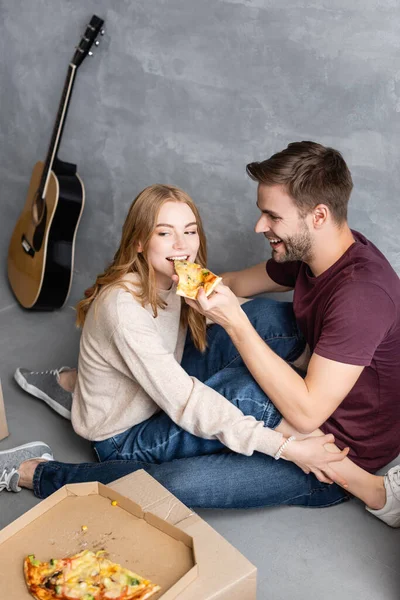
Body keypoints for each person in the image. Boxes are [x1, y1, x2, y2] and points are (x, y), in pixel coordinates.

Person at [5, 165, 400, 526]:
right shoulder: (126, 305)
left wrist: (232, 316)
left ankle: (84, 386)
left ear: (318, 217)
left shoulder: (358, 294)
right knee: (236, 402)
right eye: (165, 232)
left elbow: (241, 314)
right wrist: (291, 445)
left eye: (190, 231)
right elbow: (188, 400)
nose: (259, 225)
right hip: (128, 435)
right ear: (140, 241)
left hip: (320, 427)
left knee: (265, 329)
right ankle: (41, 466)